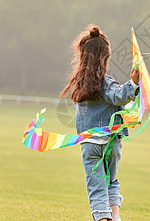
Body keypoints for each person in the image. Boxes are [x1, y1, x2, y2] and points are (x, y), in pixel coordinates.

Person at [60, 25, 139, 221]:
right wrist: (134, 83)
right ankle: (115, 217)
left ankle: (103, 219)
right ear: (105, 57)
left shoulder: (79, 83)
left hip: (90, 144)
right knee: (111, 180)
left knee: (96, 187)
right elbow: (119, 97)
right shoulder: (106, 82)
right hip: (111, 143)